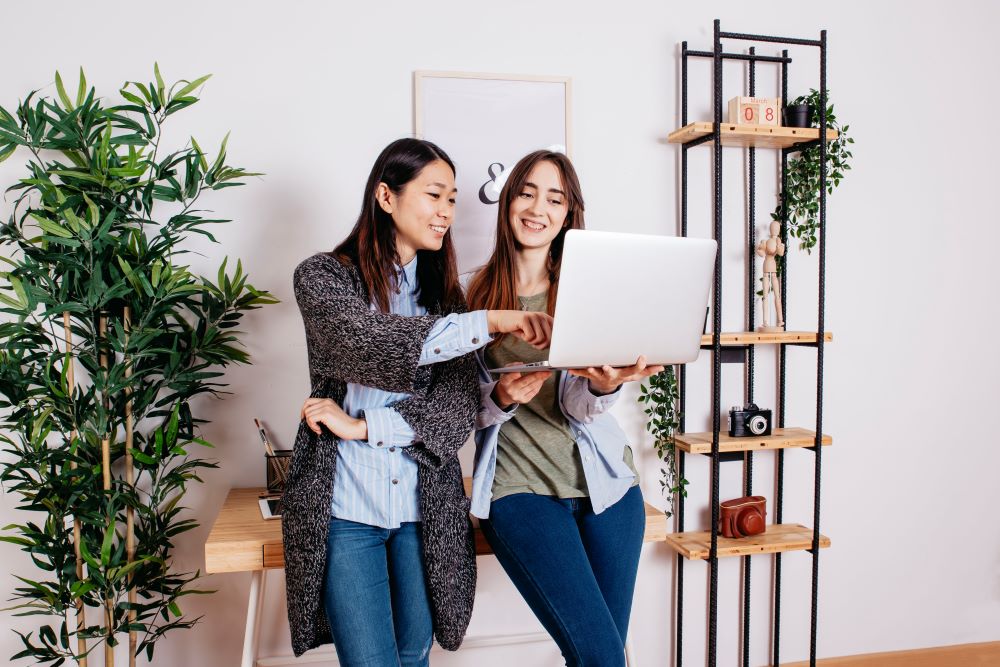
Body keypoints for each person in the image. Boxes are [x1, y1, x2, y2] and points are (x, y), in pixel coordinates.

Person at [281, 138, 553, 666]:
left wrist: (363, 427)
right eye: (434, 195)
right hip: (346, 507)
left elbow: (452, 414)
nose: (446, 212)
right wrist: (491, 321)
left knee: (413, 653)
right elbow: (367, 343)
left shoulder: (445, 298)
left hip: (421, 508)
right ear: (386, 196)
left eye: (452, 199)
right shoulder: (322, 278)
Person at [467, 149, 663, 667]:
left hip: (608, 489)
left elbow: (580, 407)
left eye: (554, 198)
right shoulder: (472, 295)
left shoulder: (587, 291)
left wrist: (603, 386)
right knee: (600, 655)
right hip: (520, 490)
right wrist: (502, 397)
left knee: (601, 657)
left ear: (568, 213)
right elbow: (456, 409)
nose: (538, 208)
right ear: (509, 200)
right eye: (527, 192)